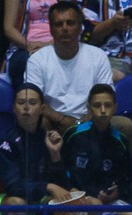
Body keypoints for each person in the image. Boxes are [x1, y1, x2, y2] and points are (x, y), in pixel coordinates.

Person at [24, 2, 114, 136]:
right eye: (58, 24)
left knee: (125, 125)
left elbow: (107, 97)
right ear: (51, 29)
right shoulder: (36, 60)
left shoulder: (98, 56)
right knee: (37, 121)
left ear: (80, 27)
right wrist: (63, 120)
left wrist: (85, 121)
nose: (65, 28)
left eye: (70, 23)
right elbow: (34, 101)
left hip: (92, 121)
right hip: (54, 122)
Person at [0, 83, 72, 210]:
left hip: (33, 196)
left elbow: (62, 185)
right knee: (17, 204)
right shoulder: (5, 142)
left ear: (42, 109)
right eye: (21, 102)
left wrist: (55, 155)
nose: (26, 108)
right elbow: (13, 187)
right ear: (13, 108)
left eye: (32, 103)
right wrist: (48, 187)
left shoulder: (46, 138)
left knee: (70, 203)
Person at [62, 83, 132, 214]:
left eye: (107, 105)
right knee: (95, 206)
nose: (102, 110)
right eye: (97, 106)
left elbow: (126, 178)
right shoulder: (73, 135)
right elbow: (61, 169)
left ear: (115, 108)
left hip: (108, 201)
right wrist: (71, 189)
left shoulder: (120, 141)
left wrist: (115, 193)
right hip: (78, 199)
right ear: (89, 109)